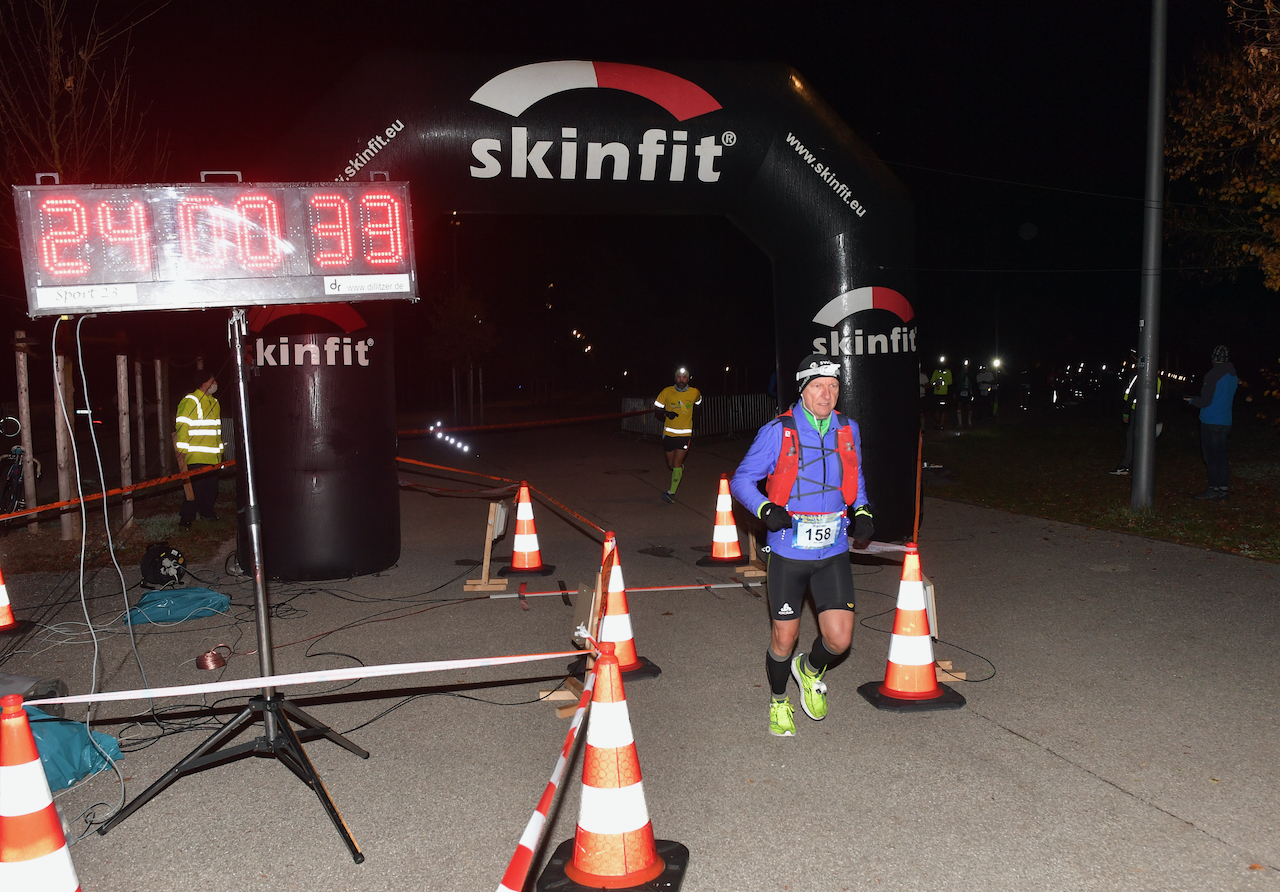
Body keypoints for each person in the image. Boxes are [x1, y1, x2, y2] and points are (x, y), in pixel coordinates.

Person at [730, 355, 873, 738]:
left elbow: (854, 475)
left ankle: (808, 672)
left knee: (839, 640)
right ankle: (779, 700)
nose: (827, 395)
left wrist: (861, 508)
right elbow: (742, 480)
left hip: (833, 551)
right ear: (802, 389)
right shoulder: (778, 431)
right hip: (790, 552)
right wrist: (765, 508)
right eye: (817, 386)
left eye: (833, 386)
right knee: (784, 638)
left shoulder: (849, 429)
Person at [1185, 345, 1238, 500]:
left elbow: (1206, 401)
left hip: (1211, 420)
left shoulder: (1212, 374)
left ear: (1214, 358)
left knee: (1212, 457)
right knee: (1221, 455)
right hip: (1226, 421)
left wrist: (1191, 401)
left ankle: (1212, 489)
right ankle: (1223, 488)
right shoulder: (1233, 375)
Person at [174, 371, 224, 528]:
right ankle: (186, 518)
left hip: (212, 456)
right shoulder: (190, 400)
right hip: (196, 454)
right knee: (195, 489)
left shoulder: (215, 402)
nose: (215, 383)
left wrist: (220, 453)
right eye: (212, 380)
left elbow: (216, 431)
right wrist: (182, 450)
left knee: (211, 488)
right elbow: (182, 425)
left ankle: (207, 514)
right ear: (204, 383)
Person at [653, 367, 702, 503]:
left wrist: (696, 418)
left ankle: (671, 493)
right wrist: (666, 414)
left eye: (684, 377)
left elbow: (698, 404)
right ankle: (678, 470)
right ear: (675, 378)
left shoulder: (694, 392)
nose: (682, 379)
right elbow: (657, 409)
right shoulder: (667, 391)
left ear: (688, 379)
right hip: (668, 433)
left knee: (676, 463)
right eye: (679, 377)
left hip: (685, 433)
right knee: (670, 464)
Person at [1111, 349, 1161, 476]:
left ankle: (1127, 466)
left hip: (1136, 411)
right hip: (1148, 413)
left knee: (1132, 438)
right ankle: (1142, 466)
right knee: (1143, 438)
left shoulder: (1139, 376)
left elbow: (1131, 394)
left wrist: (1126, 413)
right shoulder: (1157, 379)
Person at [930, 359, 952, 430]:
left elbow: (950, 382)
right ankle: (938, 422)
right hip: (936, 393)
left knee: (943, 410)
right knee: (934, 410)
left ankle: (941, 425)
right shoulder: (936, 372)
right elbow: (932, 382)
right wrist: (936, 384)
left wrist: (942, 382)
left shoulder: (948, 372)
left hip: (944, 394)